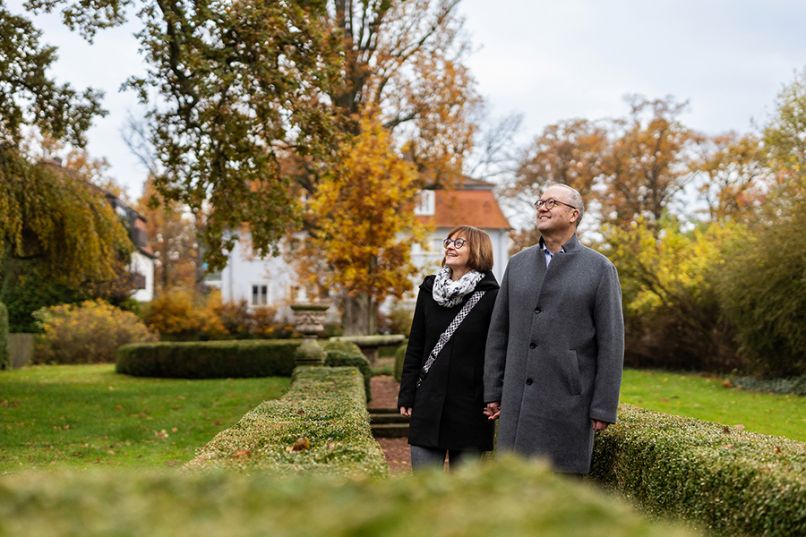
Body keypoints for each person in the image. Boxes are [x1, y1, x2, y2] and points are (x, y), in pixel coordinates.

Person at [483, 183, 624, 475]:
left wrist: (603, 406)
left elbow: (612, 343)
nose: (542, 207)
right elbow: (499, 333)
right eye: (540, 202)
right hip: (517, 403)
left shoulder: (600, 269)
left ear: (574, 214)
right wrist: (493, 391)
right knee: (514, 494)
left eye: (551, 202)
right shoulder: (518, 264)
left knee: (561, 498)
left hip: (567, 403)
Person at [397, 225, 500, 470]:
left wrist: (495, 395)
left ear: (477, 250)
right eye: (449, 242)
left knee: (464, 497)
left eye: (459, 243)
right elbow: (416, 345)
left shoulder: (492, 296)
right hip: (428, 403)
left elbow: (496, 351)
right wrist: (408, 392)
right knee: (423, 490)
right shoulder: (428, 290)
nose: (450, 247)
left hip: (471, 408)